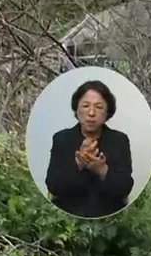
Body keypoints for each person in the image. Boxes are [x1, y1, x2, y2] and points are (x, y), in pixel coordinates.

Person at [45, 80, 134, 218]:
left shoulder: (119, 140)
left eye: (99, 107)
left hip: (109, 218)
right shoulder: (61, 139)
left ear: (107, 112)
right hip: (67, 218)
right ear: (76, 109)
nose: (91, 113)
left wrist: (102, 170)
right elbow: (54, 186)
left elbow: (124, 188)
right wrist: (79, 163)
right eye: (85, 106)